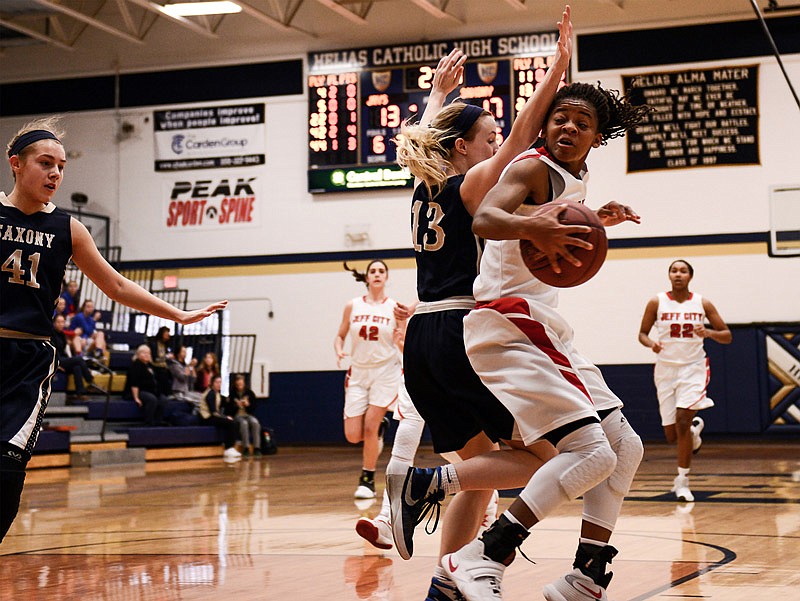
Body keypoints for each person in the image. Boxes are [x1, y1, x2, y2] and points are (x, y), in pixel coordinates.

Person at [423, 82, 651, 601]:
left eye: (582, 123)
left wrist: (594, 219)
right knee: (593, 454)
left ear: (597, 137)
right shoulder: (530, 165)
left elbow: (547, 214)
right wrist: (536, 231)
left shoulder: (576, 177)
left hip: (541, 324)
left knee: (626, 447)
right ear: (545, 124)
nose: (568, 127)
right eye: (560, 118)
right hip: (509, 320)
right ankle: (483, 552)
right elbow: (485, 218)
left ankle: (586, 575)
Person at [386, 9, 573, 597]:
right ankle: (423, 483)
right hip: (463, 334)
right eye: (485, 139)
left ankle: (447, 584)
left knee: (479, 476)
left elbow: (434, 138)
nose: (498, 144)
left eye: (495, 137)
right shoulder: (472, 185)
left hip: (422, 337)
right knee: (551, 458)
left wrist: (438, 96)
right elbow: (524, 137)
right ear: (463, 147)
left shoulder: (424, 187)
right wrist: (558, 68)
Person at [0, 115, 227, 542]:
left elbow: (117, 285)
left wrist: (177, 316)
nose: (55, 173)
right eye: (45, 163)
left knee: (6, 477)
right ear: (15, 163)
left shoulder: (68, 229)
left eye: (62, 166)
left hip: (26, 365)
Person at [638, 259, 731, 502]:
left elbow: (727, 336)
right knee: (672, 435)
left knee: (681, 419)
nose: (678, 274)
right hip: (666, 370)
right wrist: (652, 344)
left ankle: (682, 481)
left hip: (693, 368)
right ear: (669, 275)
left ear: (690, 276)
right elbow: (642, 334)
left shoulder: (703, 303)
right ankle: (694, 433)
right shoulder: (656, 301)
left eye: (683, 271)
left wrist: (708, 332)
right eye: (674, 270)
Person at [334, 260, 402, 499]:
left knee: (370, 425)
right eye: (373, 271)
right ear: (367, 277)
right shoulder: (352, 306)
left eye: (381, 271)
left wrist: (402, 346)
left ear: (386, 278)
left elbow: (403, 341)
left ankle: (367, 479)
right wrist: (339, 349)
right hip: (358, 372)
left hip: (385, 372)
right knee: (353, 435)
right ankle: (380, 429)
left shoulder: (394, 308)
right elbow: (340, 336)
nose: (376, 274)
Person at [51, 314, 98, 400]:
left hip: (62, 358)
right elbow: (50, 351)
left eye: (62, 322)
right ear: (54, 323)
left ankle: (80, 393)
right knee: (79, 359)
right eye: (58, 322)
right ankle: (90, 381)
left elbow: (63, 351)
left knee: (77, 367)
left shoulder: (62, 334)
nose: (61, 324)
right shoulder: (51, 334)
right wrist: (57, 365)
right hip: (55, 360)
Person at [123, 345, 169, 426]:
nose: (147, 355)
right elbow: (134, 382)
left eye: (148, 353)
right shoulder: (136, 365)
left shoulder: (150, 366)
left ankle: (158, 421)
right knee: (152, 399)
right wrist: (136, 398)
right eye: (144, 353)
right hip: (137, 391)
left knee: (163, 399)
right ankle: (148, 422)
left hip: (149, 391)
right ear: (138, 354)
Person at [199, 375, 241, 461]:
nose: (219, 384)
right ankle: (228, 447)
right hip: (207, 418)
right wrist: (225, 417)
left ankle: (230, 445)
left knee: (232, 421)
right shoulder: (210, 393)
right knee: (230, 423)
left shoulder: (217, 393)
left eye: (220, 382)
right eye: (217, 382)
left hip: (212, 416)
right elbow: (213, 412)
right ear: (212, 383)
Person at [226, 374, 262, 457]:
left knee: (255, 423)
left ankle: (257, 448)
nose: (239, 386)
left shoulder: (250, 393)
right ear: (235, 384)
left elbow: (254, 407)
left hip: (247, 414)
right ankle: (246, 447)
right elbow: (228, 409)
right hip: (237, 415)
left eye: (241, 384)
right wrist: (236, 406)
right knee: (244, 424)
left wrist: (248, 405)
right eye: (238, 384)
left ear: (244, 383)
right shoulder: (231, 394)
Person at [148, 325, 173, 396]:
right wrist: (167, 357)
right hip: (156, 367)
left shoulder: (166, 345)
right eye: (166, 334)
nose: (168, 336)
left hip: (163, 367)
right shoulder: (154, 344)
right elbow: (155, 359)